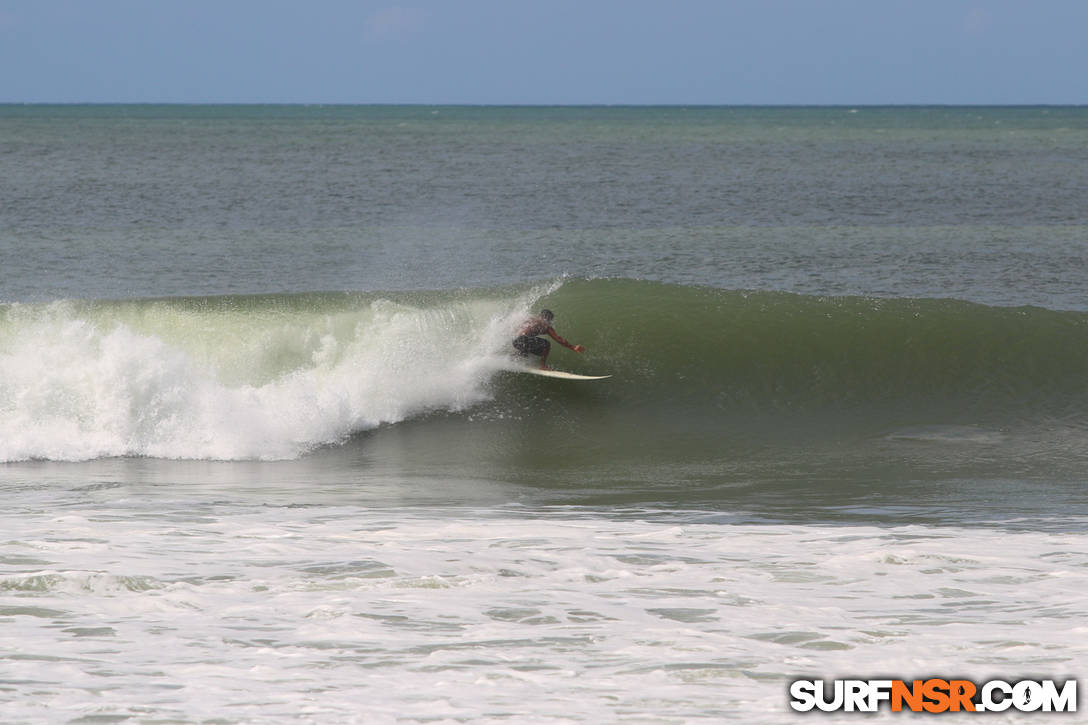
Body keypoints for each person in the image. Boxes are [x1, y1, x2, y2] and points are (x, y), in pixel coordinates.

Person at [512, 309, 585, 370]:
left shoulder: (531, 319)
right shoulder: (546, 325)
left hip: (515, 341)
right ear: (548, 318)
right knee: (546, 344)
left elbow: (517, 330)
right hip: (524, 340)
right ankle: (542, 366)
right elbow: (559, 340)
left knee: (529, 350)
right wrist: (573, 347)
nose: (550, 321)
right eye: (550, 319)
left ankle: (513, 358)